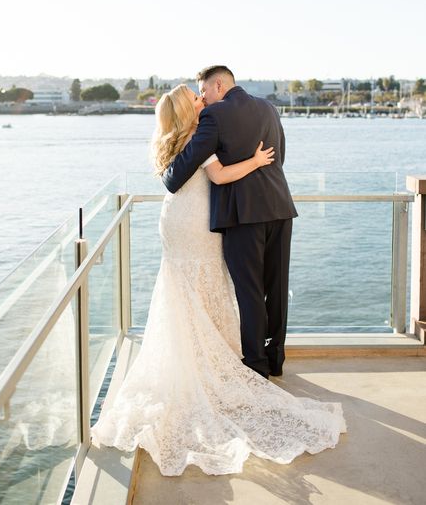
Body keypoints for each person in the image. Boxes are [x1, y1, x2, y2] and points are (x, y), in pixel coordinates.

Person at [90, 83, 345, 476]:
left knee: (184, 289)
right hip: (195, 224)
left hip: (177, 220)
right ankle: (209, 362)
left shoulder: (178, 137)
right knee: (203, 284)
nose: (201, 99)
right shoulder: (202, 132)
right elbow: (222, 177)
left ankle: (194, 357)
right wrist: (259, 162)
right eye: (195, 97)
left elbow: (180, 178)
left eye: (200, 93)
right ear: (188, 109)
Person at [163, 65, 297, 379]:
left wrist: (167, 170)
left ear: (219, 84)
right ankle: (275, 358)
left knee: (249, 290)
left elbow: (185, 167)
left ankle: (256, 364)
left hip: (243, 214)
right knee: (276, 288)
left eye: (204, 91)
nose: (203, 99)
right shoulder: (269, 108)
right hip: (280, 207)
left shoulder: (214, 116)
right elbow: (280, 157)